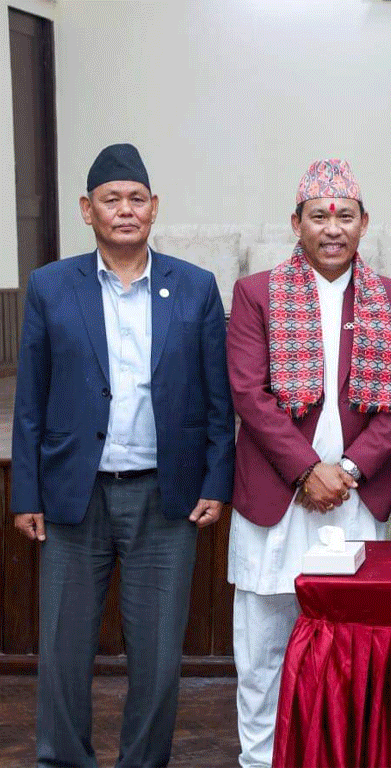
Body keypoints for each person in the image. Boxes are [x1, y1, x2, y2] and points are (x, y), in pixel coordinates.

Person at [10, 143, 235, 768]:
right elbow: (31, 401)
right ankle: (63, 761)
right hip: (73, 496)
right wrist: (26, 493)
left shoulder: (194, 288)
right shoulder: (52, 287)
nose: (126, 210)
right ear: (88, 210)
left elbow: (219, 399)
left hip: (166, 499)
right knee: (62, 653)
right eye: (112, 200)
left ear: (155, 207)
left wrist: (217, 481)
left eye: (137, 198)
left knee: (159, 657)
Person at [226, 158, 391, 768]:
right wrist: (308, 471)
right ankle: (260, 760)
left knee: (353, 645)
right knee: (263, 647)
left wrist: (349, 471)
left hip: (355, 499)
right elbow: (248, 393)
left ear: (364, 224)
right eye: (319, 216)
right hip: (275, 497)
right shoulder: (256, 293)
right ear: (296, 224)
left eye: (345, 216)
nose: (333, 228)